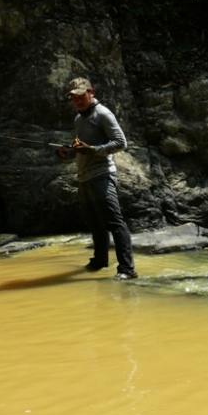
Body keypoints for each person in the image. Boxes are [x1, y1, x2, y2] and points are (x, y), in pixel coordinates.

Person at [56, 77, 137, 279]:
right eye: (73, 98)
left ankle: (127, 269)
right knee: (94, 223)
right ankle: (100, 261)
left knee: (115, 222)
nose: (77, 101)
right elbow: (79, 147)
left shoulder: (103, 114)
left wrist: (93, 150)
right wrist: (68, 153)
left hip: (102, 175)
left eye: (81, 96)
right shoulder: (78, 119)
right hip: (84, 178)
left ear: (91, 92)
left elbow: (121, 143)